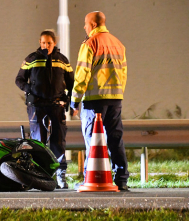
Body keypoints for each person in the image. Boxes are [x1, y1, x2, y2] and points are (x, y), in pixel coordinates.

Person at [71, 11, 129, 190]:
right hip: (116, 99)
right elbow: (124, 73)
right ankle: (121, 178)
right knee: (115, 138)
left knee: (92, 139)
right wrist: (119, 93)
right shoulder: (118, 44)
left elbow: (82, 73)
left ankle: (92, 177)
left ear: (94, 25)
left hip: (94, 99)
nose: (84, 27)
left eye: (86, 23)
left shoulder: (90, 43)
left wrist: (75, 99)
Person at [15, 30, 74, 189]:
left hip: (56, 105)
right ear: (39, 42)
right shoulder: (31, 59)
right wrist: (30, 90)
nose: (46, 46)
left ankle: (60, 175)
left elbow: (71, 83)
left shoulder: (62, 60)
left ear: (54, 43)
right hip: (37, 105)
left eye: (49, 43)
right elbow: (19, 79)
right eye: (43, 43)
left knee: (58, 141)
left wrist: (67, 99)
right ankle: (38, 176)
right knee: (38, 141)